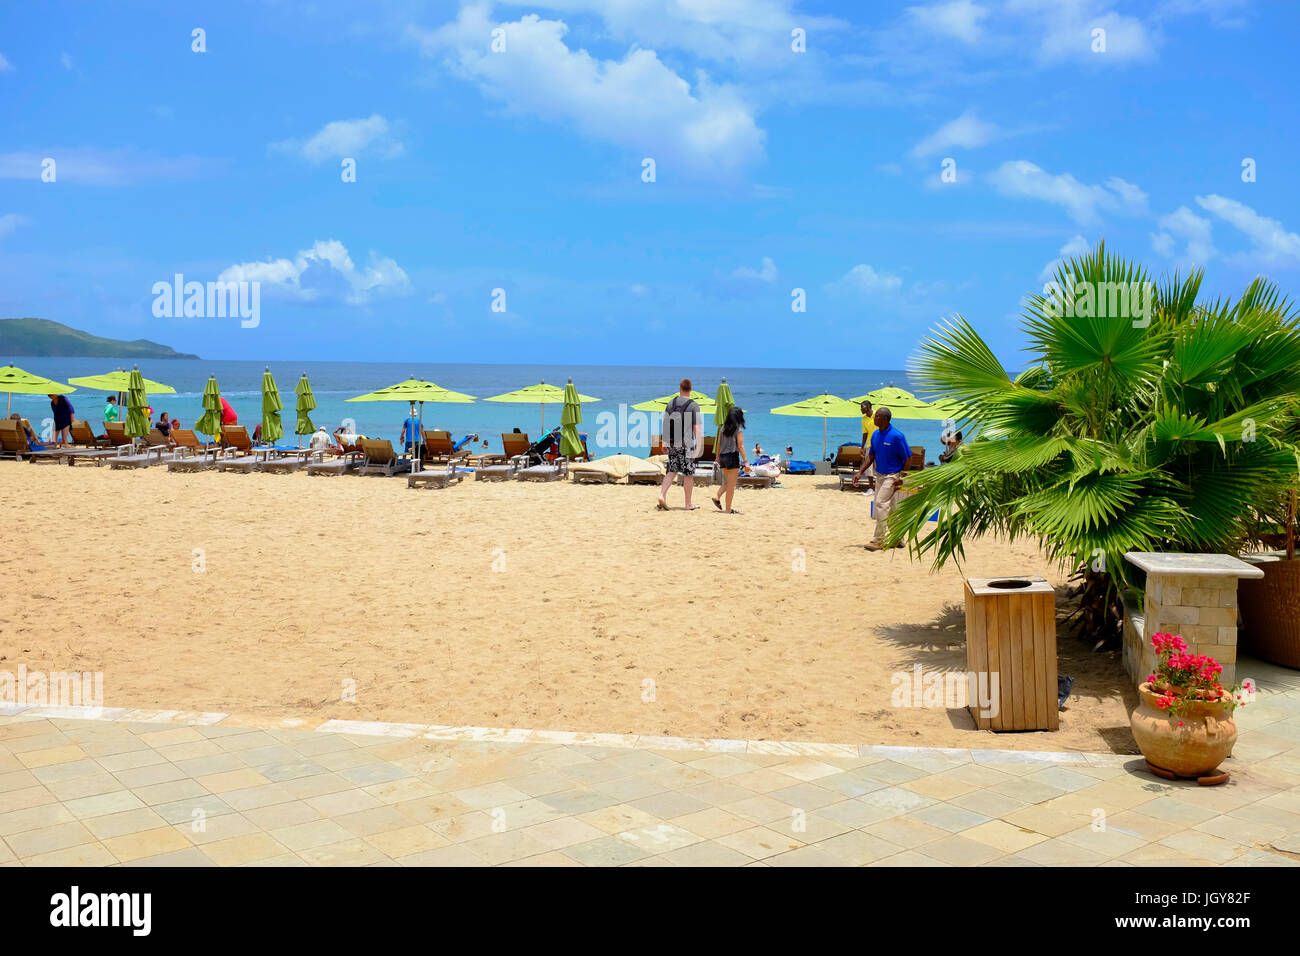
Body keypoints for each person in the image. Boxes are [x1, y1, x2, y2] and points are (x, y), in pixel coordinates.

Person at [852, 406, 911, 551]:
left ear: (885, 419)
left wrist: (902, 477)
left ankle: (879, 539)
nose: (874, 418)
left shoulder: (897, 436)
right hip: (880, 475)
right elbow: (871, 456)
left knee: (880, 503)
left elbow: (908, 458)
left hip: (892, 476)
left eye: (877, 416)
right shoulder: (876, 435)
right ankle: (899, 538)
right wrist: (860, 472)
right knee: (888, 509)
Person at [656, 378, 703, 511]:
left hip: (671, 442)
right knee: (688, 474)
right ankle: (688, 504)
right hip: (686, 444)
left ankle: (662, 495)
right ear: (691, 389)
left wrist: (664, 441)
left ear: (680, 388)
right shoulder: (694, 405)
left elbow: (665, 423)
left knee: (672, 470)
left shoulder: (671, 403)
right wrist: (699, 445)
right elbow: (696, 427)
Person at [711, 407, 750, 514]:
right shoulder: (738, 429)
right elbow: (740, 446)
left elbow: (718, 443)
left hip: (723, 457)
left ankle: (717, 496)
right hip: (732, 457)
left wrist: (717, 458)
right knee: (731, 485)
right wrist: (746, 461)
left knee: (729, 482)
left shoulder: (723, 427)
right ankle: (728, 510)